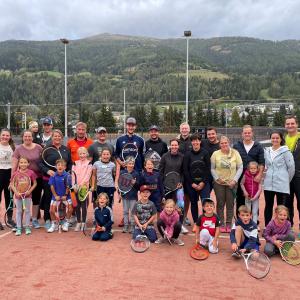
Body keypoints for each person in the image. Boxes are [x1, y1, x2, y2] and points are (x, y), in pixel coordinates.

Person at [39, 129, 72, 230]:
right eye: (55, 136)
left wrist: (69, 173)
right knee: (48, 198)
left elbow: (69, 163)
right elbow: (40, 163)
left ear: (62, 138)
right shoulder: (46, 149)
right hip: (49, 179)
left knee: (63, 199)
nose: (57, 138)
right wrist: (47, 170)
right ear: (52, 137)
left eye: (59, 136)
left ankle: (62, 220)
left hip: (63, 180)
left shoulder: (66, 149)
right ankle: (48, 220)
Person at [211, 136, 243, 233]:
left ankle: (229, 223)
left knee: (230, 203)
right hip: (219, 183)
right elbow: (212, 168)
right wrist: (217, 178)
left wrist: (234, 180)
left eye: (226, 143)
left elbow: (240, 167)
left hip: (231, 184)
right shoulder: (215, 154)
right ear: (219, 144)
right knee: (220, 203)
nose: (224, 144)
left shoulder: (235, 153)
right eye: (222, 143)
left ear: (229, 142)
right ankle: (221, 223)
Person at [12, 130, 43, 229]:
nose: (27, 138)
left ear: (32, 137)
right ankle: (19, 223)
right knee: (22, 200)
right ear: (23, 137)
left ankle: (34, 220)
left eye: (29, 136)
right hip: (22, 180)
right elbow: (14, 165)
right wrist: (11, 180)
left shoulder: (39, 147)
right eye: (25, 136)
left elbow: (43, 161)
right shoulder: (18, 149)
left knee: (36, 200)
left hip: (37, 177)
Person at [263, 131, 295, 227]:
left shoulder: (286, 151)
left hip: (282, 184)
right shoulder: (267, 151)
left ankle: (281, 228)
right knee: (268, 206)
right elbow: (267, 166)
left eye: (277, 138)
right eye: (273, 138)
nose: (275, 140)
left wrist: (285, 180)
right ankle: (268, 227)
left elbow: (291, 168)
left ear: (281, 139)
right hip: (268, 184)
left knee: (282, 208)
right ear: (270, 139)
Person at [233, 125, 265, 215]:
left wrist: (259, 175)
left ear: (252, 133)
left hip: (253, 179)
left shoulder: (258, 146)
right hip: (240, 178)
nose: (247, 134)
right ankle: (240, 220)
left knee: (254, 198)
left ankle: (255, 221)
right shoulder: (236, 146)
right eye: (245, 133)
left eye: (249, 132)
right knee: (240, 198)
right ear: (242, 134)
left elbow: (262, 162)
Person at [159, 138, 187, 233]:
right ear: (170, 146)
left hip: (178, 186)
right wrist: (163, 184)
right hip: (166, 186)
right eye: (172, 145)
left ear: (178, 146)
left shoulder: (182, 157)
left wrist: (181, 182)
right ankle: (166, 224)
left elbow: (183, 172)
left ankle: (180, 224)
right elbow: (161, 171)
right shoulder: (164, 156)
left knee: (180, 205)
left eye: (176, 145)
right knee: (167, 205)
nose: (174, 147)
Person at [183, 133, 211, 226]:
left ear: (200, 141)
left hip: (204, 183)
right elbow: (185, 170)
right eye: (193, 140)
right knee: (193, 203)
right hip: (192, 184)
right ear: (191, 142)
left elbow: (208, 168)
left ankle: (205, 221)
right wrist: (192, 183)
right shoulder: (188, 154)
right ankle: (196, 222)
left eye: (197, 140)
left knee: (205, 202)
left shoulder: (205, 153)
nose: (195, 142)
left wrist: (203, 182)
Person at [10, 157, 37, 236]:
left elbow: (35, 183)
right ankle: (19, 228)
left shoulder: (31, 172)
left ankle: (27, 227)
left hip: (27, 196)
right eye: (21, 162)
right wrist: (16, 192)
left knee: (28, 211)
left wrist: (29, 191)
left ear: (28, 164)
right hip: (18, 196)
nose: (23, 164)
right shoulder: (15, 173)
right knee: (19, 211)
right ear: (19, 163)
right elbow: (12, 184)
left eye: (25, 162)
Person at [47, 159, 73, 233]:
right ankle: (54, 224)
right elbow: (52, 186)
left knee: (70, 209)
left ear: (65, 167)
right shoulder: (53, 175)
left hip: (66, 196)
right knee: (51, 211)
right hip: (55, 196)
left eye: (62, 165)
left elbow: (68, 186)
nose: (60, 166)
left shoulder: (67, 175)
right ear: (56, 167)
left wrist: (65, 195)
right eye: (58, 165)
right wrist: (55, 196)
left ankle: (66, 223)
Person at [116, 157, 140, 234]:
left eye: (132, 163)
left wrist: (135, 183)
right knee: (125, 211)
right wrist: (119, 193)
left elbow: (139, 185)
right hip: (125, 196)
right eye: (129, 163)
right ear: (126, 164)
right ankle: (126, 225)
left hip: (133, 196)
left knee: (133, 212)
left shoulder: (136, 173)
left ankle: (132, 225)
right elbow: (120, 184)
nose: (131, 165)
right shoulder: (122, 172)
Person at [72, 147, 93, 232]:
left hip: (84, 187)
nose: (82, 155)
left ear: (86, 154)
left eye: (84, 153)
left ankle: (84, 223)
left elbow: (88, 176)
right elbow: (73, 175)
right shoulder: (75, 163)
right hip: (74, 188)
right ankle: (78, 222)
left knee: (84, 206)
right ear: (78, 154)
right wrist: (74, 186)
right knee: (76, 205)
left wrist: (81, 186)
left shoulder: (89, 163)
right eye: (80, 154)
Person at [284, 116, 300, 227]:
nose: (290, 125)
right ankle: (289, 228)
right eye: (288, 124)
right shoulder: (283, 139)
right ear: (285, 126)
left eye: (292, 123)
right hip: (286, 177)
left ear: (297, 125)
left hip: (299, 176)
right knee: (287, 204)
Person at [0, 128, 15, 230]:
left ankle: (9, 218)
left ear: (10, 137)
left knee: (9, 197)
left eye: (7, 135)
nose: (5, 137)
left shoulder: (13, 147)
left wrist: (13, 177)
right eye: (3, 135)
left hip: (10, 174)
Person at [177, 122, 192, 226]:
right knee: (179, 196)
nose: (184, 130)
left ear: (189, 130)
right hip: (179, 172)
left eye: (186, 128)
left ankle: (185, 216)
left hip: (190, 173)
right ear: (180, 130)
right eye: (183, 129)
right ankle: (178, 215)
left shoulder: (194, 141)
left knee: (187, 197)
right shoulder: (176, 141)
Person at [201, 127, 220, 192]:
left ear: (216, 134)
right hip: (206, 174)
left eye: (213, 134)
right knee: (206, 195)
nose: (211, 136)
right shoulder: (203, 142)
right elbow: (193, 141)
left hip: (217, 175)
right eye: (209, 134)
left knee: (219, 196)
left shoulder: (221, 145)